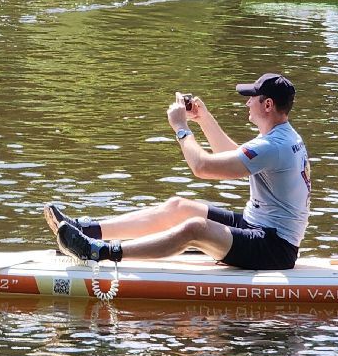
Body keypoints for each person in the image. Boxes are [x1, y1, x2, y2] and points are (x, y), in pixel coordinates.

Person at [45, 73, 310, 270]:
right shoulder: (281, 137)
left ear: (268, 105)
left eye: (252, 97)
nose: (246, 103)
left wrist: (181, 128)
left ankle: (98, 251)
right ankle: (85, 230)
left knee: (195, 227)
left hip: (273, 247)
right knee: (178, 206)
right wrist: (203, 118)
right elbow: (230, 155)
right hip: (258, 227)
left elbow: (202, 167)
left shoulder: (274, 145)